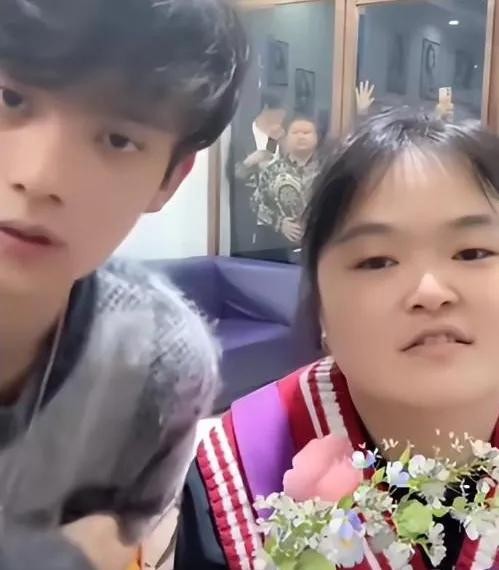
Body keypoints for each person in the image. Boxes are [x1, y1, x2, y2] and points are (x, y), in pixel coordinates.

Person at [175, 109, 499, 570]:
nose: (431, 292)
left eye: (473, 252)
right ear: (321, 307)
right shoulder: (240, 467)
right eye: (377, 261)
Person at [0, 1, 248, 569]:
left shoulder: (160, 366)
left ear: (169, 180)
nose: (40, 177)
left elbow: (118, 548)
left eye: (117, 139)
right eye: (10, 98)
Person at [249, 116, 321, 263]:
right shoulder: (272, 171)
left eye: (306, 132)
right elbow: (256, 203)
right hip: (277, 249)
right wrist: (280, 223)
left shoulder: (329, 169)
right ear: (286, 138)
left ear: (317, 138)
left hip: (318, 247)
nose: (301, 136)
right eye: (295, 132)